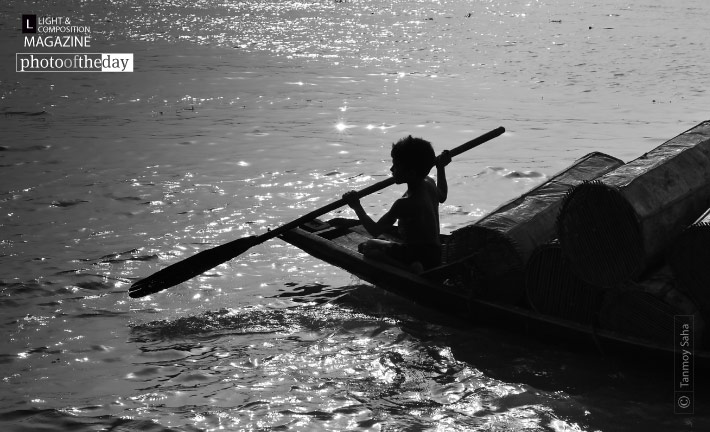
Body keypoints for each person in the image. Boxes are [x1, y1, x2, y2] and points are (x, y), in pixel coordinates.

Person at [342, 135, 451, 273]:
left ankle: (409, 268)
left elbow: (374, 230)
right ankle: (415, 264)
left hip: (415, 255)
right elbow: (442, 196)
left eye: (396, 165)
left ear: (411, 173)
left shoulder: (404, 203)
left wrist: (357, 206)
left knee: (368, 248)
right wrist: (441, 168)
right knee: (381, 244)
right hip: (435, 254)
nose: (391, 169)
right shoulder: (429, 182)